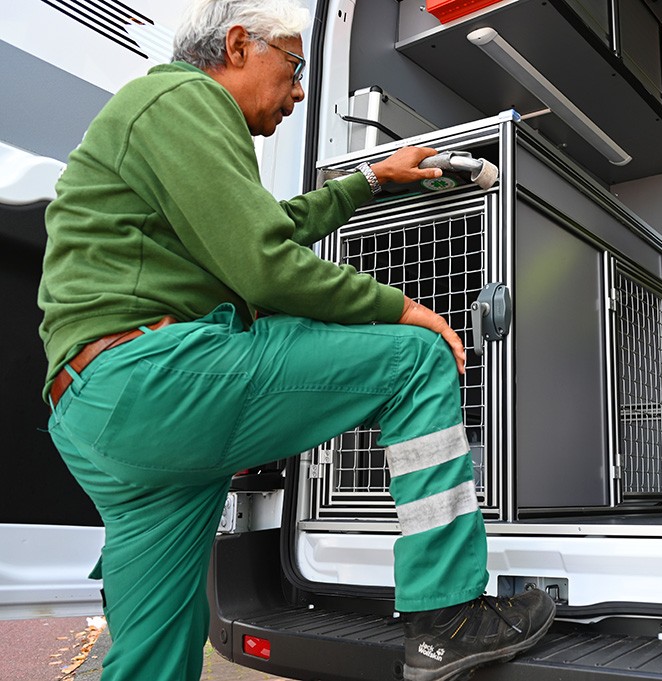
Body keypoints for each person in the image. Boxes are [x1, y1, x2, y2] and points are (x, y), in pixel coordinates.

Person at [38, 1, 554, 680]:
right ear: (238, 46)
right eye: (294, 66)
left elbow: (265, 226)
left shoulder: (159, 116)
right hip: (152, 379)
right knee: (416, 359)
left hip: (99, 411)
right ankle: (449, 615)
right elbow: (264, 263)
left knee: (155, 655)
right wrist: (401, 307)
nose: (302, 91)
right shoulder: (183, 97)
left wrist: (372, 178)